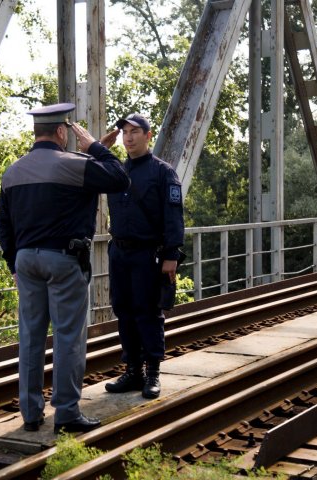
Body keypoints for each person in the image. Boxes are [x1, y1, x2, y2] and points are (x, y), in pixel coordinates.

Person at [0, 103, 130, 434]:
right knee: (68, 337)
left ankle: (30, 413)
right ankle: (67, 413)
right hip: (64, 260)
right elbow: (119, 178)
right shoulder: (76, 165)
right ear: (61, 132)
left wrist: (13, 260)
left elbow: (4, 224)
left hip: (26, 261)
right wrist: (96, 148)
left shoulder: (13, 172)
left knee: (30, 337)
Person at [102, 113, 185, 399]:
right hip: (120, 252)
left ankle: (153, 374)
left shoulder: (163, 172)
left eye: (135, 131)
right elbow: (82, 174)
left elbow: (173, 216)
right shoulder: (116, 170)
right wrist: (100, 146)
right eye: (124, 132)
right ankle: (133, 371)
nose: (128, 137)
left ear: (148, 136)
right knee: (123, 310)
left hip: (148, 253)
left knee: (148, 312)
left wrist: (171, 254)